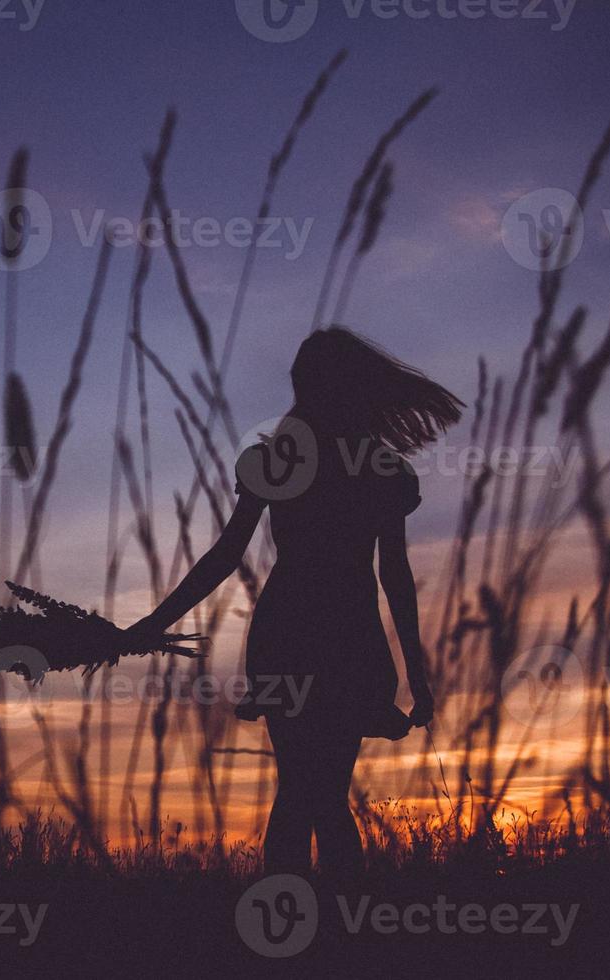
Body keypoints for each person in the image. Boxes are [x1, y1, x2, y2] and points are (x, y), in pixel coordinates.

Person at [128, 326, 462, 876]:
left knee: (306, 792)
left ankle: (297, 933)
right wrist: (417, 677)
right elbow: (392, 577)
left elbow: (225, 554)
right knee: (322, 793)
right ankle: (331, 932)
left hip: (293, 634)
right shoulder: (372, 468)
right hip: (345, 634)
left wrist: (152, 623)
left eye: (303, 384)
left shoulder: (286, 462)